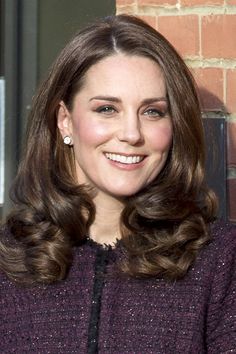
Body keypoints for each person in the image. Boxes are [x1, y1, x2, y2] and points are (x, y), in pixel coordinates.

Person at [0, 14, 235, 353]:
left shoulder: (219, 261)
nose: (131, 134)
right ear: (65, 121)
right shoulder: (9, 262)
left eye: (152, 111)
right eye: (107, 108)